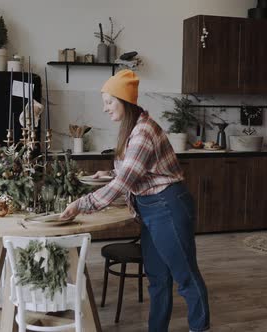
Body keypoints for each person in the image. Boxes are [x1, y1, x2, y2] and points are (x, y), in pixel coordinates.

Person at [60, 69, 210, 332]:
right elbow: (134, 170)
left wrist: (81, 205)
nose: (105, 109)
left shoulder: (142, 132)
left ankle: (200, 328)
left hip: (168, 206)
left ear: (124, 100)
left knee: (185, 275)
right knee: (157, 278)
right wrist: (108, 172)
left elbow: (124, 184)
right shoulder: (131, 129)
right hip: (152, 209)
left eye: (109, 102)